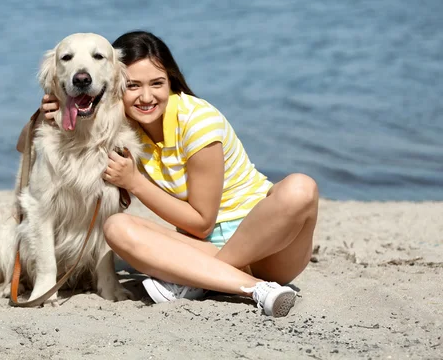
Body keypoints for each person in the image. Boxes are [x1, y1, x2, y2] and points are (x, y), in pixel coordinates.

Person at [18, 31, 319, 317]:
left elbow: (202, 224)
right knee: (117, 227)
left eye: (157, 84)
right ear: (119, 84)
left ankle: (208, 281)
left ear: (172, 83)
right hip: (202, 250)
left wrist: (134, 182)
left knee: (300, 187)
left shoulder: (197, 120)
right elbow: (33, 142)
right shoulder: (125, 123)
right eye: (134, 86)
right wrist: (50, 110)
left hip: (267, 245)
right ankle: (240, 285)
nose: (146, 97)